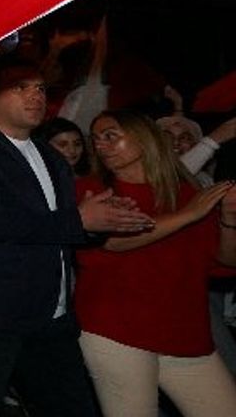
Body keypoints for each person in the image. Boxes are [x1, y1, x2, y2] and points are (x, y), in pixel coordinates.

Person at [0, 57, 155, 416]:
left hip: (52, 314)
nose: (35, 96)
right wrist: (78, 220)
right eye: (20, 87)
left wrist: (101, 222)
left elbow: (61, 228)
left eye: (40, 88)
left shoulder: (48, 155)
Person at [75, 109, 236, 416]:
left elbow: (224, 262)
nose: (100, 145)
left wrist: (229, 221)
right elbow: (113, 242)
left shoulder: (184, 192)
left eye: (110, 136)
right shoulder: (93, 191)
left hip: (185, 332)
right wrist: (189, 214)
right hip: (117, 330)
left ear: (144, 138)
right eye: (95, 139)